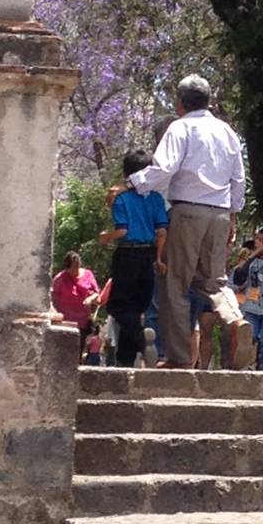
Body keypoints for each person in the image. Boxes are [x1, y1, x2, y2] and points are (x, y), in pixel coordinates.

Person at [128, 75, 246, 369]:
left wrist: (133, 184)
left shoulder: (180, 127)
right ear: (209, 101)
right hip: (219, 214)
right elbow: (239, 179)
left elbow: (164, 168)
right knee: (214, 282)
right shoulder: (227, 131)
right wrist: (232, 216)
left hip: (187, 212)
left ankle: (179, 358)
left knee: (176, 285)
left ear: (179, 103)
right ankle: (235, 320)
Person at [98, 150, 169, 368]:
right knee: (137, 308)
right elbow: (162, 232)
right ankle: (125, 360)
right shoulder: (156, 199)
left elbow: (121, 231)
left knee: (118, 307)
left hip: (128, 253)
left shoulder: (123, 199)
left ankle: (141, 337)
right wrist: (158, 259)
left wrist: (104, 238)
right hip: (149, 255)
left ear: (125, 172)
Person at [236, 231, 263, 371]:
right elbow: (238, 278)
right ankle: (247, 363)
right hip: (251, 306)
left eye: (262, 240)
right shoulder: (251, 262)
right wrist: (252, 256)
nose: (259, 243)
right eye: (257, 240)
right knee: (251, 336)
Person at [50, 251, 100, 356]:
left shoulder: (88, 274)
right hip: (65, 323)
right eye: (73, 268)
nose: (76, 270)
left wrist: (90, 299)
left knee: (78, 351)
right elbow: (53, 298)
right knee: (64, 352)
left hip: (82, 322)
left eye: (78, 266)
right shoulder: (59, 279)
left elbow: (97, 293)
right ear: (67, 268)